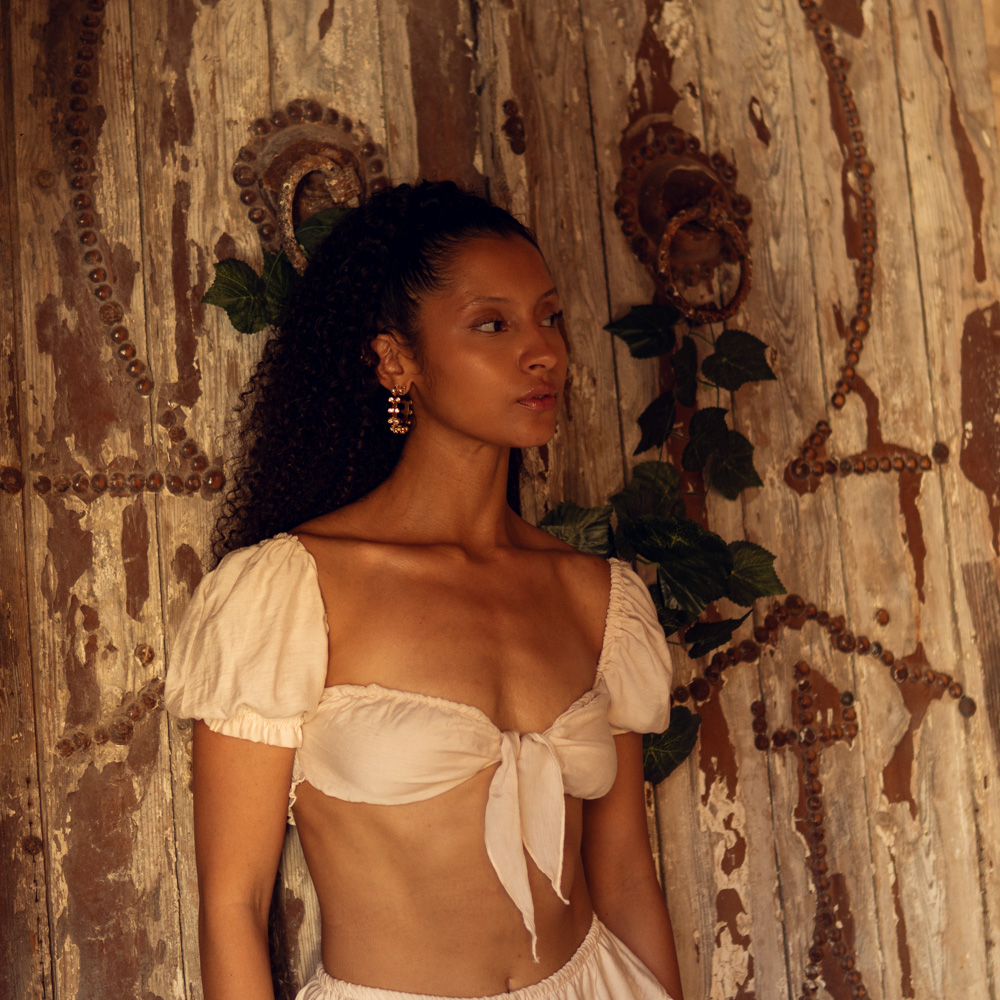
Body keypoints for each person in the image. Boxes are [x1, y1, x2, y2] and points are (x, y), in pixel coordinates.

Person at [165, 181, 685, 1000]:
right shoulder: (292, 591)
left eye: (550, 317)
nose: (543, 352)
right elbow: (234, 903)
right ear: (395, 360)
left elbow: (624, 879)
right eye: (493, 324)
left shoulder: (598, 596)